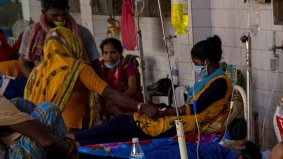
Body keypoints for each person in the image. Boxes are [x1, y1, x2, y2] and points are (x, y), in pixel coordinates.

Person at [75, 35, 234, 145]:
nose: (195, 67)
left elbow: (195, 108)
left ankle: (76, 140)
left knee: (124, 125)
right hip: (182, 122)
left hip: (189, 126)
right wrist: (160, 110)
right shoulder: (209, 80)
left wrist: (163, 111)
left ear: (206, 62)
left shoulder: (220, 82)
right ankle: (76, 140)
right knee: (123, 126)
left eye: (196, 62)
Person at [24, 28, 158, 132]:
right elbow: (109, 93)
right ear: (72, 43)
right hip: (72, 132)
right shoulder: (77, 67)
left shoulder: (37, 71)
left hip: (42, 132)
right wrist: (142, 106)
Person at [21, 0, 99, 69]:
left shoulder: (82, 32)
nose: (60, 19)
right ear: (44, 12)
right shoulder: (32, 32)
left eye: (64, 14)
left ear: (68, 9)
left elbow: (96, 66)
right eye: (54, 16)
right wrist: (40, 80)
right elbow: (25, 65)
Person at [96, 37, 143, 118]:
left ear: (119, 53)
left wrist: (117, 99)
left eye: (113, 52)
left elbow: (132, 88)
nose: (109, 56)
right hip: (108, 100)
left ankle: (125, 119)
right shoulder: (99, 67)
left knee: (109, 107)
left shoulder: (127, 66)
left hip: (127, 99)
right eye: (105, 53)